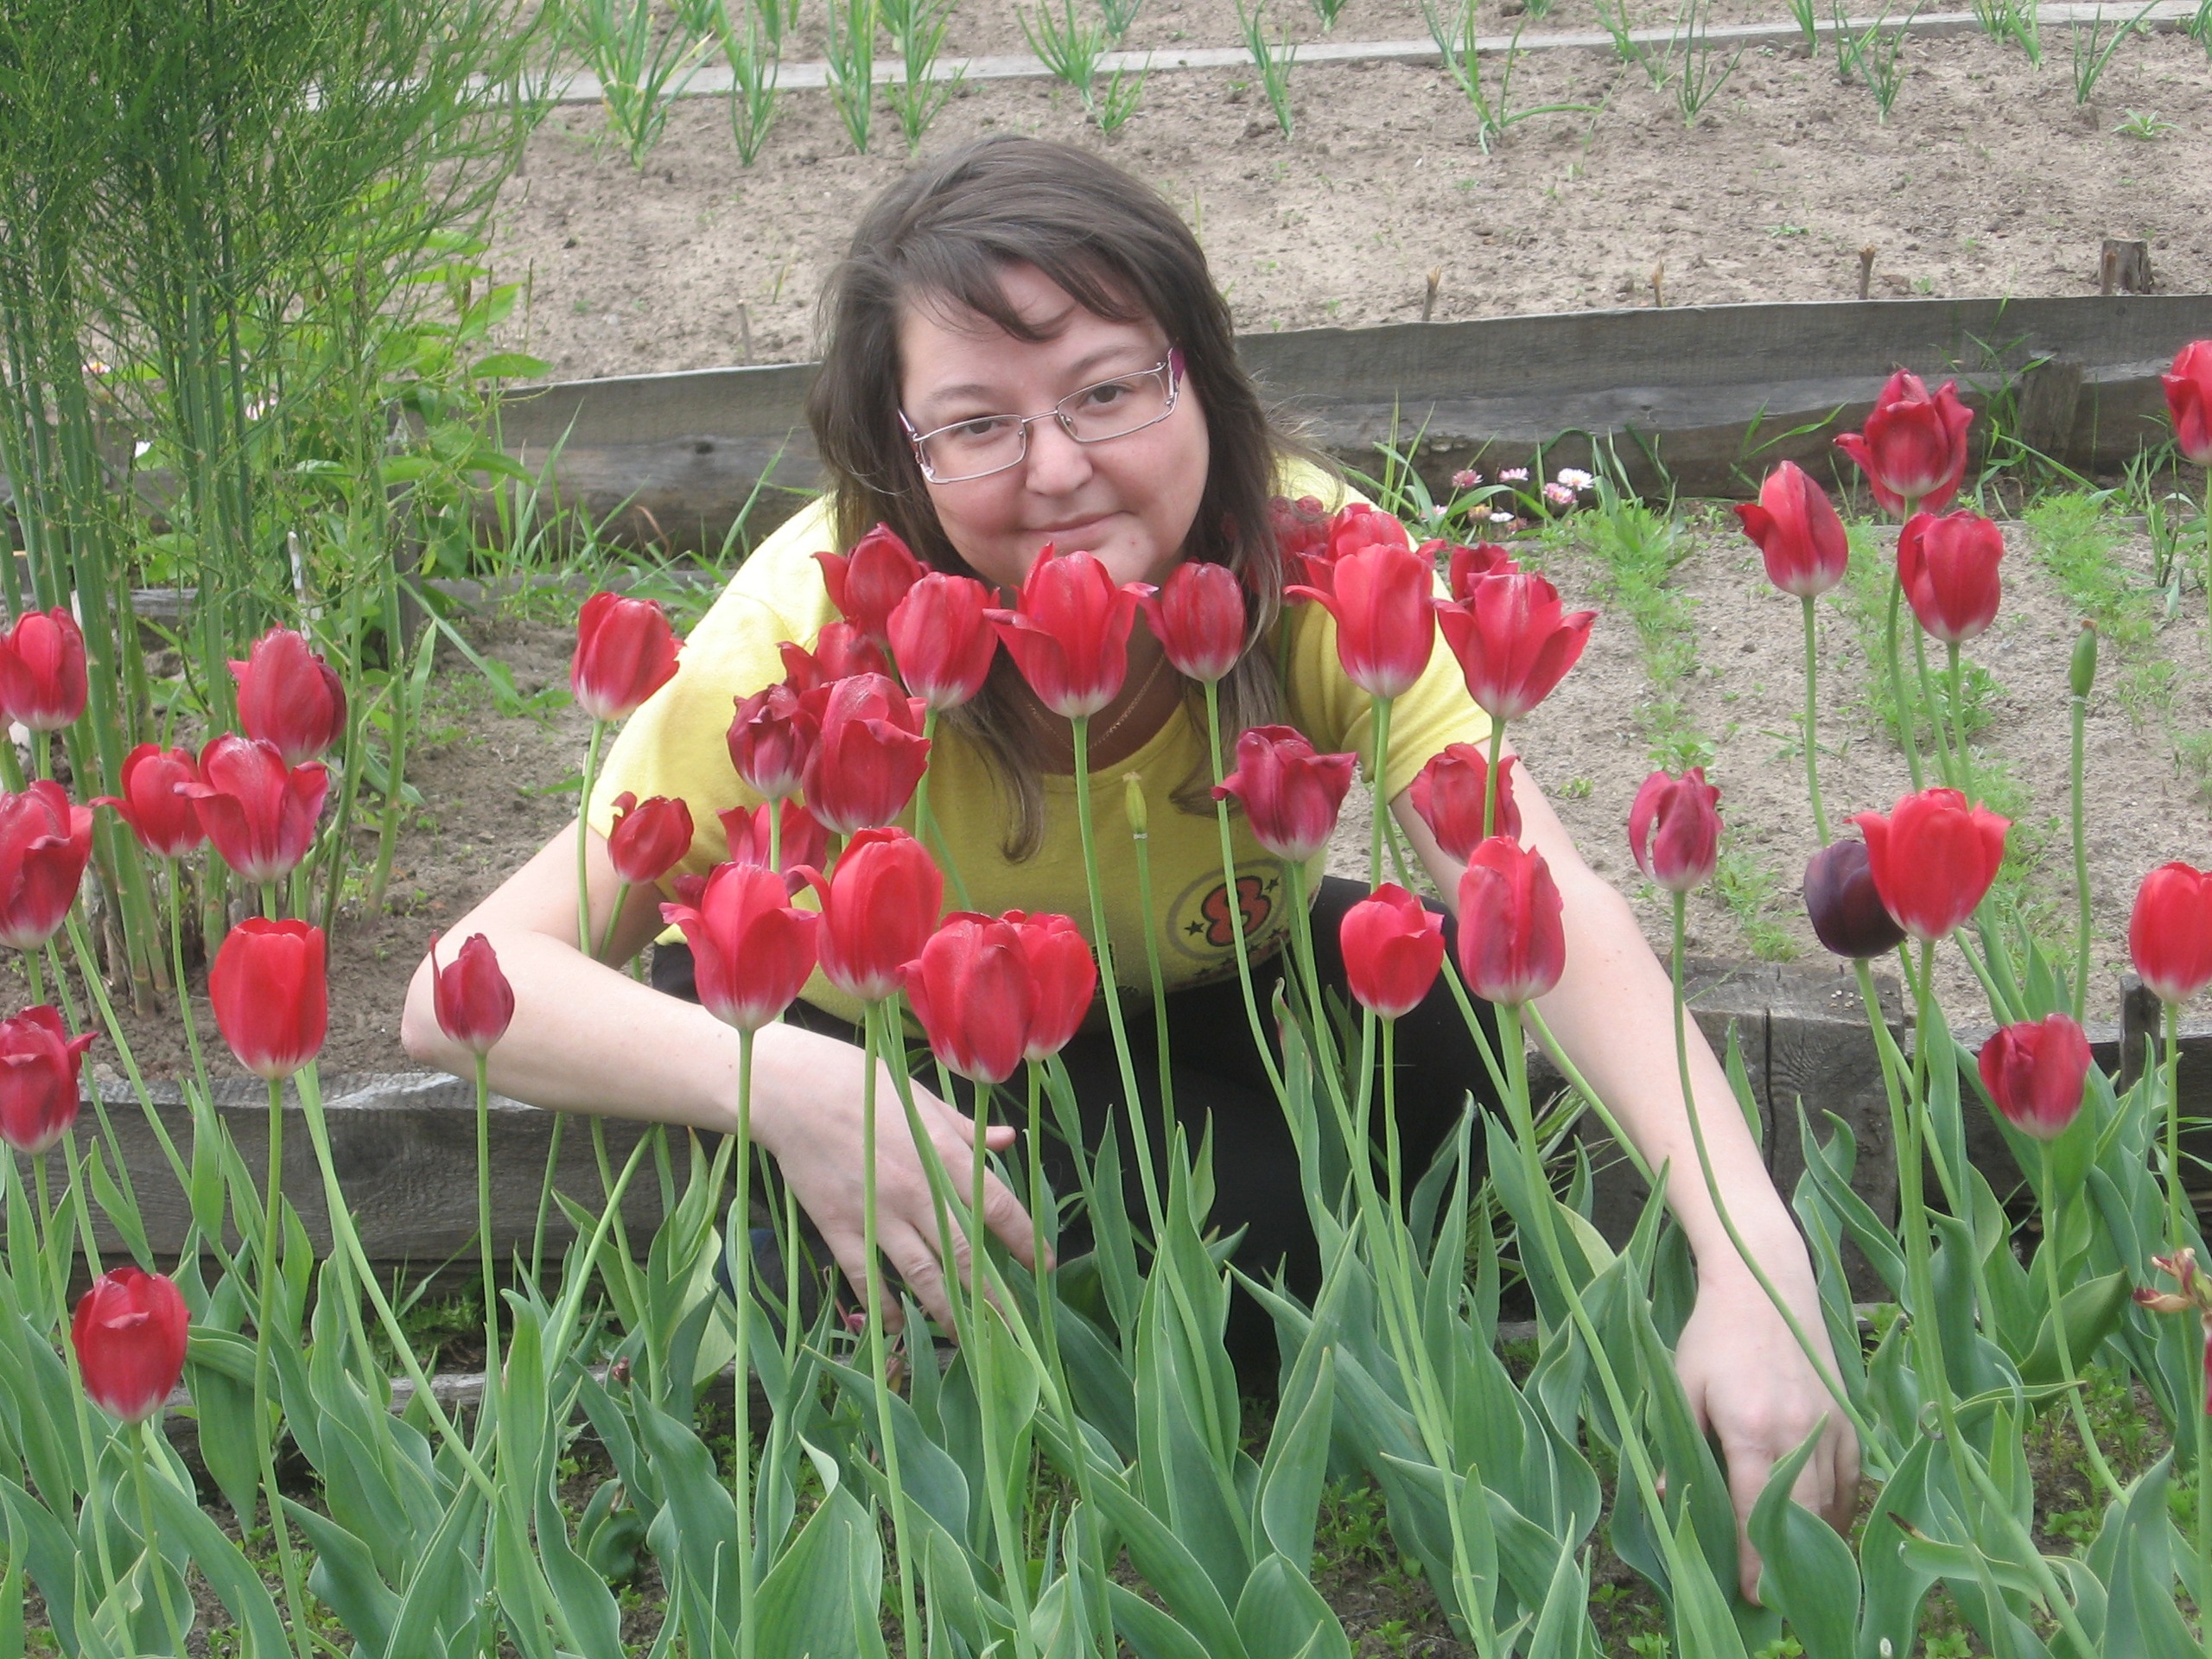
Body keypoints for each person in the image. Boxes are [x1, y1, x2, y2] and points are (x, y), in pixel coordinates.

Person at [399, 134, 1857, 1598]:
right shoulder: (807, 634)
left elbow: (1537, 895)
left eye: (1107, 391)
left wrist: (1757, 1261)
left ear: (1198, 376)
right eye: (976, 425)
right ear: (897, 453)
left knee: (1443, 1033)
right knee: (1231, 1235)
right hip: (906, 1062)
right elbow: (463, 985)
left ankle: (1237, 1333)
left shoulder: (1318, 562)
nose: (1058, 469)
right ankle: (943, 1386)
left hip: (1197, 983)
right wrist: (790, 1088)